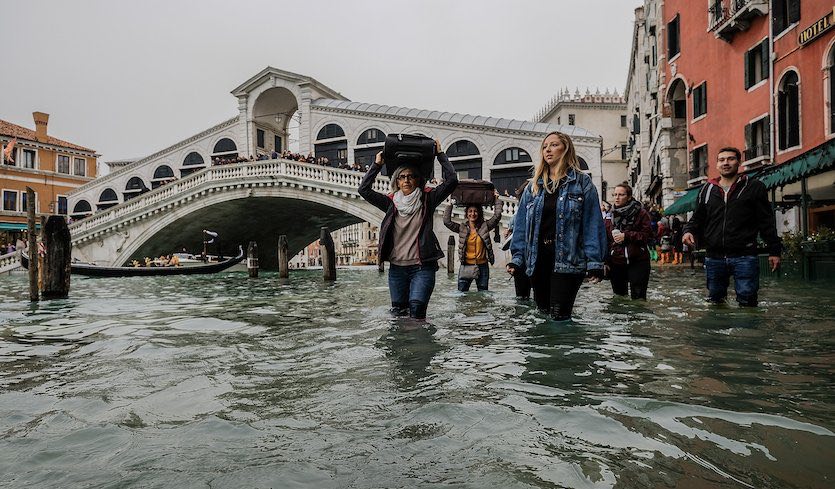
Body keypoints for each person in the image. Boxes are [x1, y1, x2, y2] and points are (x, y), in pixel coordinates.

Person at [506, 131, 607, 321]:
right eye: (544, 147)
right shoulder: (533, 186)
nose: (548, 150)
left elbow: (592, 223)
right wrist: (517, 258)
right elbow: (521, 226)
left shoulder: (582, 183)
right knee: (542, 314)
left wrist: (595, 261)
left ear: (565, 149)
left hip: (568, 261)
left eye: (553, 145)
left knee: (560, 316)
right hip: (538, 260)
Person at [358, 139, 458, 319]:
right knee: (398, 315)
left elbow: (452, 181)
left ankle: (419, 345)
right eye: (402, 177)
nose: (407, 180)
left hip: (422, 268)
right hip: (397, 269)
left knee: (417, 311)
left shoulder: (428, 199)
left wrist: (440, 155)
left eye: (411, 176)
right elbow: (363, 190)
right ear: (397, 180)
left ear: (418, 179)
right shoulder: (390, 203)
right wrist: (376, 165)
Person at [682, 147, 781, 307]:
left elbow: (766, 221)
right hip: (714, 256)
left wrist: (774, 251)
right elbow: (697, 219)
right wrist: (688, 231)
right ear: (716, 165)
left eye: (730, 159)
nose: (726, 163)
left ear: (739, 162)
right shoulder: (706, 190)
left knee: (748, 301)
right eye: (721, 160)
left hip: (745, 255)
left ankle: (745, 331)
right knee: (715, 301)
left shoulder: (754, 187)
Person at [443, 191, 503, 291]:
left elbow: (497, 216)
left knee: (483, 295)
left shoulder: (485, 226)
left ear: (479, 213)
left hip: (482, 266)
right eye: (470, 211)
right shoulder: (462, 228)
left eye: (475, 211)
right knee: (461, 296)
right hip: (465, 266)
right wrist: (450, 204)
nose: (473, 214)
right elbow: (447, 221)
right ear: (466, 214)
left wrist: (497, 199)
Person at [604, 184, 652, 300]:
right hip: (616, 262)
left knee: (639, 298)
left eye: (621, 195)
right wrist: (605, 261)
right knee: (619, 298)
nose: (617, 198)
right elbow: (605, 241)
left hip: (638, 260)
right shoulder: (609, 216)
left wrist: (626, 236)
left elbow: (647, 236)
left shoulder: (641, 213)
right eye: (615, 195)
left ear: (629, 197)